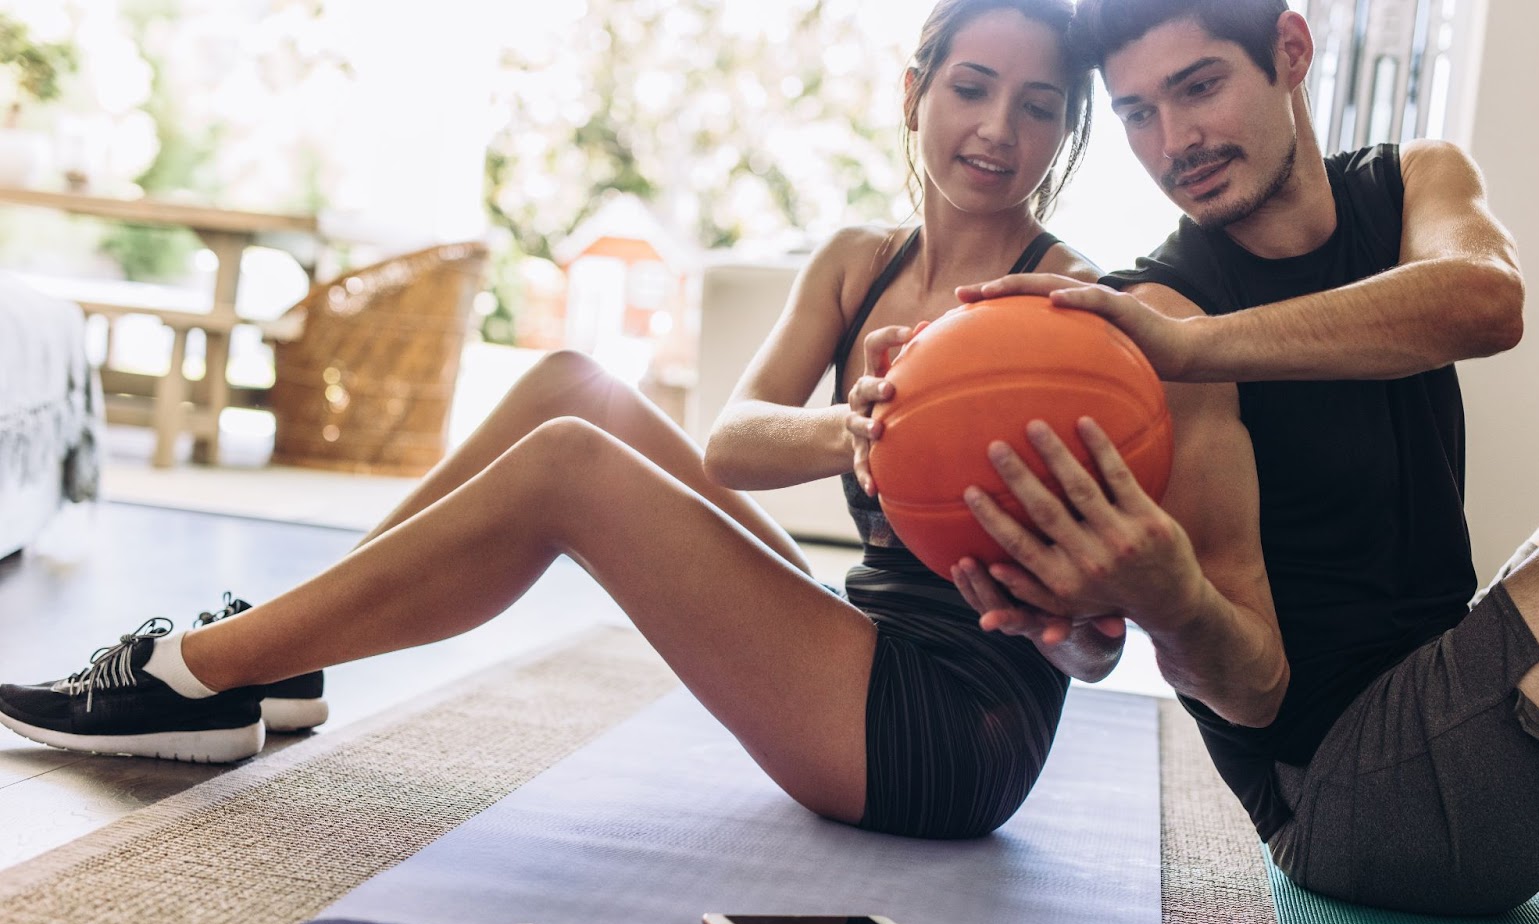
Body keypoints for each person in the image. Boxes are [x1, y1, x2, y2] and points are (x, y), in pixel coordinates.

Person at [0, 0, 1282, 841]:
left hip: (947, 734)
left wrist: (1103, 605)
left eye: (1042, 105)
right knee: (572, 385)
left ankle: (188, 680)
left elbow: (1104, 637)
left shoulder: (1073, 310)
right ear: (915, 93)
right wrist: (857, 427)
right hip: (857, 638)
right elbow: (731, 438)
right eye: (971, 87)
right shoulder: (857, 263)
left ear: (1068, 135)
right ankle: (277, 651)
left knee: (571, 470)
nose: (997, 130)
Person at [950, 0, 1539, 913]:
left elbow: (1486, 302)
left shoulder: (1415, 178)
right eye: (1138, 113)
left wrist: (1198, 348)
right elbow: (1253, 694)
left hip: (1446, 683)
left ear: (1290, 52)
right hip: (1341, 791)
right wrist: (1163, 604)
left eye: (1199, 86)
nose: (1175, 141)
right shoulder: (1164, 305)